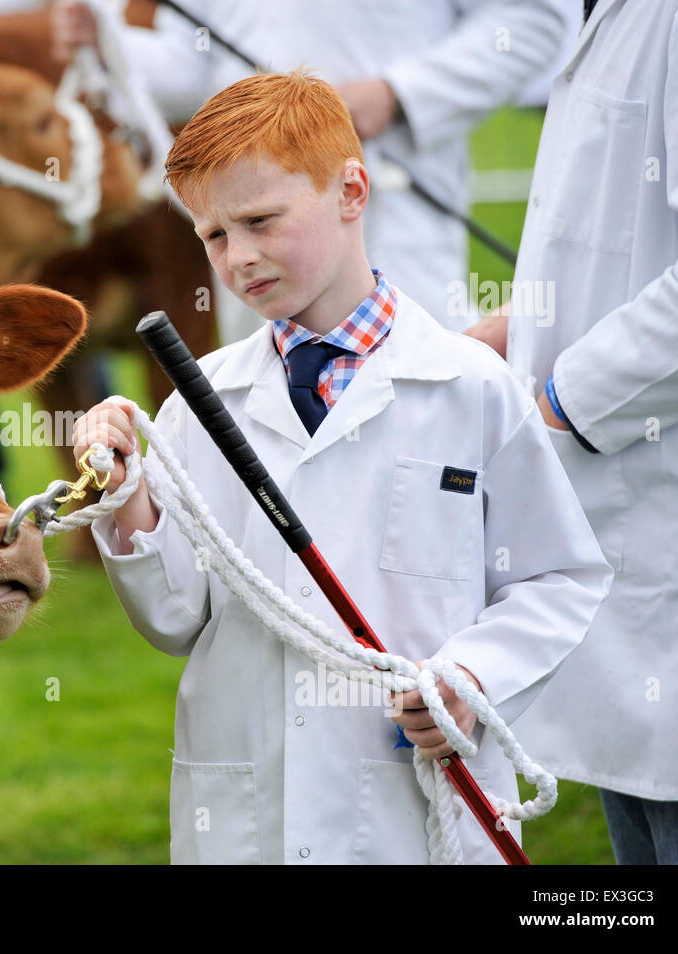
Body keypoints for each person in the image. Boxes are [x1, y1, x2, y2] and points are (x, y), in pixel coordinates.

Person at [72, 70, 611, 864]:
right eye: (214, 236)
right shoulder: (199, 405)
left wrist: (471, 676)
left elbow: (559, 576)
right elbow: (175, 618)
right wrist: (127, 502)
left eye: (260, 220)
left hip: (415, 806)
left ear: (351, 190)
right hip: (250, 814)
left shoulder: (470, 386)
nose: (240, 258)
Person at [466, 0, 678, 865]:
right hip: (620, 551)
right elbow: (606, 257)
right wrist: (482, 351)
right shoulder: (610, 13)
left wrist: (556, 402)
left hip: (675, 538)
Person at [53, 0, 568, 340]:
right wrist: (109, 47)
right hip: (246, 225)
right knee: (270, 429)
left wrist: (397, 94)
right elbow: (195, 66)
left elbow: (530, 22)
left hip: (395, 206)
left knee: (417, 412)